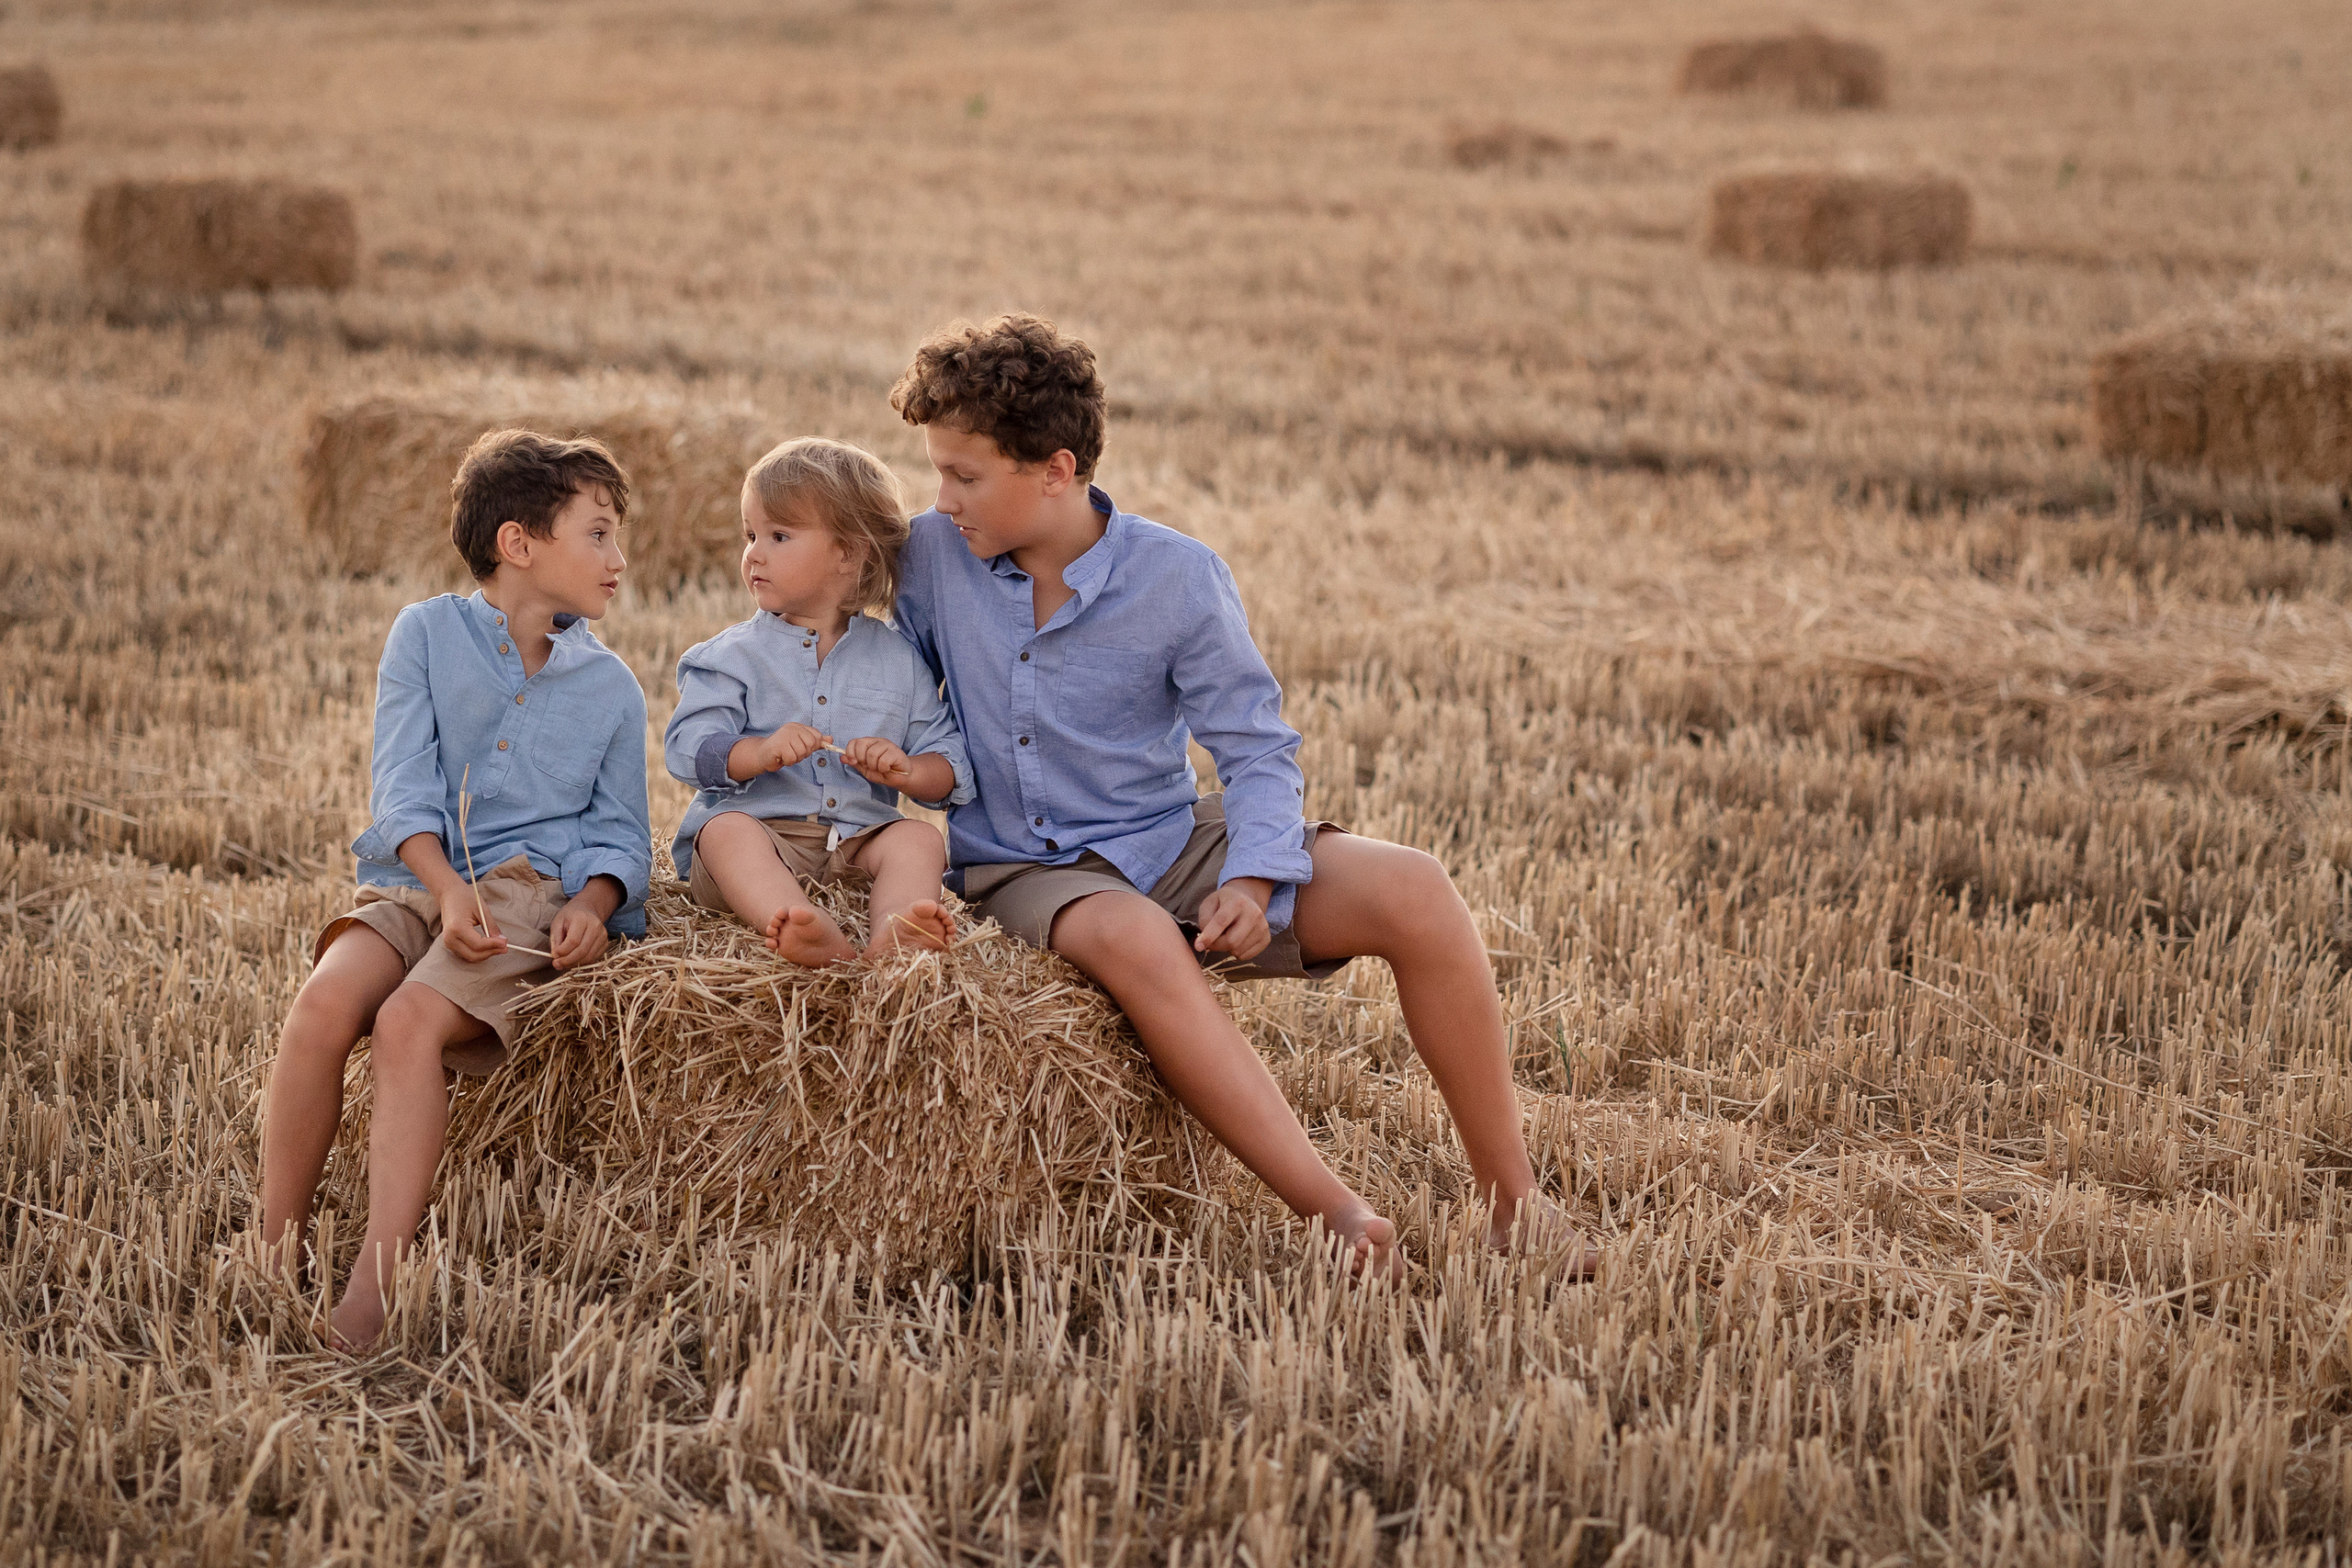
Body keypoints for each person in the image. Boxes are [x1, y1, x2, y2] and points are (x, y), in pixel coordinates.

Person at [889, 313, 1595, 1279]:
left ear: (1056, 470)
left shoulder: (1177, 578)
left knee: (1416, 887)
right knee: (1132, 934)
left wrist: (1258, 877)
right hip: (1022, 862)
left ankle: (1513, 1200)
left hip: (1162, 837)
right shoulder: (929, 557)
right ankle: (1338, 1216)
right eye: (936, 471)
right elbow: (869, 686)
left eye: (963, 475)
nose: (941, 498)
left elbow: (1256, 750)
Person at [257, 429, 653, 1350]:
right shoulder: (425, 634)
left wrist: (593, 904)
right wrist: (440, 884)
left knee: (406, 1025)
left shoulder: (612, 687)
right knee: (323, 1007)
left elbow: (621, 834)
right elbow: (401, 787)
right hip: (413, 874)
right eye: (596, 534)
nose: (619, 558)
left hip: (524, 893)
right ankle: (272, 1242)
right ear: (519, 543)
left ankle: (377, 1278)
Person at [665, 438, 972, 965]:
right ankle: (793, 922)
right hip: (763, 834)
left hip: (855, 843)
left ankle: (897, 929)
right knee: (723, 832)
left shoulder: (898, 659)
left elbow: (947, 759)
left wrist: (906, 770)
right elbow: (687, 749)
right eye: (751, 535)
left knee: (919, 841)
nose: (754, 552)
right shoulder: (732, 656)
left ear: (848, 553)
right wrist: (757, 754)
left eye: (779, 536)